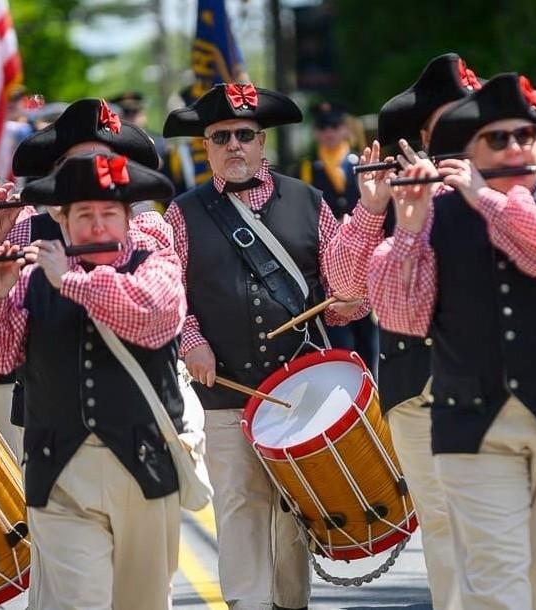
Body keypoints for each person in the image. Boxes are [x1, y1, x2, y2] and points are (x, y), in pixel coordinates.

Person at [369, 73, 536, 609]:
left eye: (525, 135)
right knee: (494, 588)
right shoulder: (437, 215)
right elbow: (400, 316)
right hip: (472, 424)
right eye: (497, 139)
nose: (516, 147)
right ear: (471, 147)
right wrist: (407, 230)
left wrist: (489, 200)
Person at [162, 81, 366, 610]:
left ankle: (289, 602)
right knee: (239, 505)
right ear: (205, 146)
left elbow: (346, 290)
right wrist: (191, 343)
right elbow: (169, 295)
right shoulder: (181, 213)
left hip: (298, 385)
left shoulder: (310, 201)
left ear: (262, 144)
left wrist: (349, 298)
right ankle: (247, 604)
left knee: (292, 506)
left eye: (245, 135)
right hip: (223, 387)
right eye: (221, 135)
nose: (234, 145)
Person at [0, 152, 184, 610]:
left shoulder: (157, 264)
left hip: (144, 467)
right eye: (84, 215)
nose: (98, 227)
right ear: (62, 221)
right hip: (59, 473)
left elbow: (153, 317)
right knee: (80, 602)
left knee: (142, 603)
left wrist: (72, 283)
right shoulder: (30, 280)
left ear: (127, 219)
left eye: (108, 214)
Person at [325, 52, 482, 610]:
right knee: (442, 526)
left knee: (498, 526)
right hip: (417, 390)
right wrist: (372, 209)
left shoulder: (500, 184)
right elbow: (345, 292)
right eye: (457, 117)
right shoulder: (388, 191)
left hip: (491, 387)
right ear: (424, 131)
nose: (473, 126)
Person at [0, 98, 167, 439]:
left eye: (99, 162)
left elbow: (154, 308)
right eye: (73, 165)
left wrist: (66, 274)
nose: (86, 174)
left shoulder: (147, 227)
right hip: (46, 414)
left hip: (133, 408)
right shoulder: (26, 228)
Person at [300, 101, 378, 372]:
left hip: (362, 253)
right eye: (323, 127)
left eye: (334, 126)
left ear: (345, 129)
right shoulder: (309, 169)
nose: (329, 133)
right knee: (339, 337)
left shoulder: (358, 163)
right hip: (330, 256)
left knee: (368, 333)